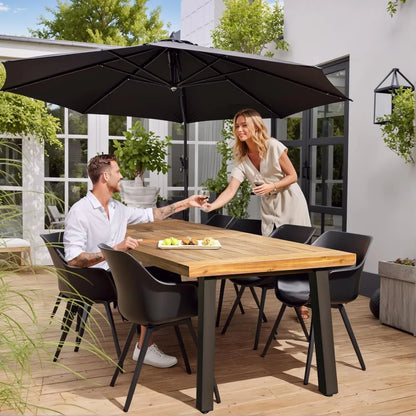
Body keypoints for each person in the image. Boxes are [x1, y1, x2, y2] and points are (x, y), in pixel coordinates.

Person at [64, 154, 207, 368]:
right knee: (146, 280)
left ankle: (154, 331)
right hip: (98, 280)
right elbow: (74, 260)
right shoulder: (80, 212)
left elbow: (153, 214)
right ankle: (145, 348)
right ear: (105, 176)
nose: (121, 176)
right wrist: (116, 249)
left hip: (117, 273)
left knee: (167, 274)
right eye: (118, 172)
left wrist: (187, 203)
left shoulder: (117, 209)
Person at [204, 108, 311, 320]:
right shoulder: (242, 159)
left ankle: (301, 301)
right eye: (237, 126)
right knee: (272, 249)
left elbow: (293, 176)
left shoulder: (273, 146)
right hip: (270, 208)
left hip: (290, 202)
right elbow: (231, 189)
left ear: (255, 126)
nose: (240, 129)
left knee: (298, 253)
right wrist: (212, 206)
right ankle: (285, 290)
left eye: (244, 125)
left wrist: (272, 186)